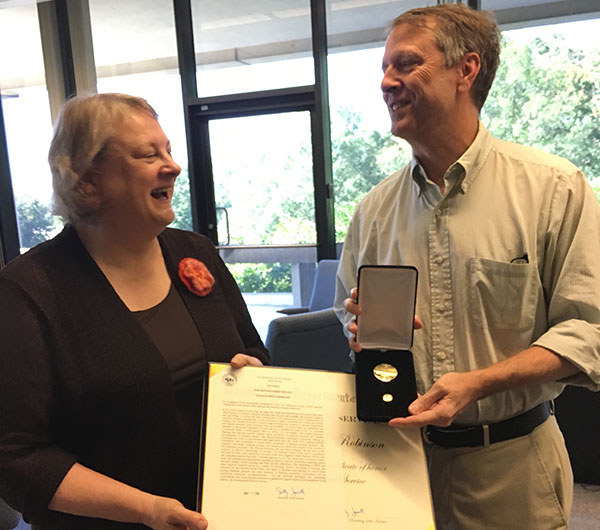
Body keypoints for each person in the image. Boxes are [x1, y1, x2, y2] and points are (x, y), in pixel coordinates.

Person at [334, 4, 600, 530]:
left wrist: (479, 382)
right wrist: (358, 326)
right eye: (384, 68)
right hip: (396, 467)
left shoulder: (554, 188)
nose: (386, 82)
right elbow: (348, 318)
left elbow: (590, 331)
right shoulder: (373, 209)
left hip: (510, 470)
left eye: (406, 64)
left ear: (467, 70)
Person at [0, 93, 269, 530]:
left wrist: (252, 370)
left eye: (168, 150)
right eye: (148, 155)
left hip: (228, 514)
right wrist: (145, 509)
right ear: (88, 179)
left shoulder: (194, 250)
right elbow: (18, 457)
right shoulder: (29, 291)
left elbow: (254, 349)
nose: (173, 166)